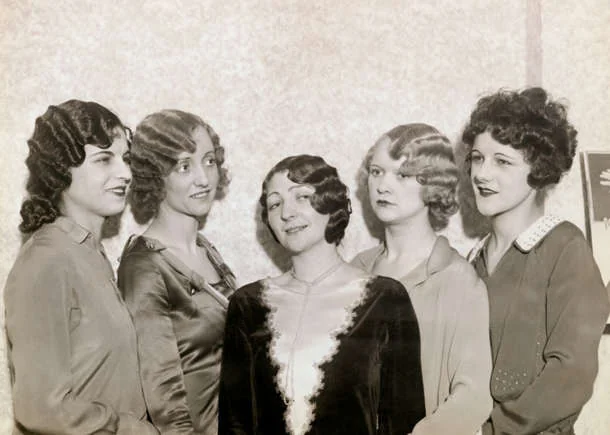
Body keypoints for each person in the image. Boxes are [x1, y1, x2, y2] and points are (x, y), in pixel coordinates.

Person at [219, 154, 425, 435]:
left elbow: (404, 421)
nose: (286, 213)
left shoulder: (386, 299)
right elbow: (234, 425)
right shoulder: (247, 305)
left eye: (301, 197)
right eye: (275, 204)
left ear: (331, 203)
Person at [3, 100, 157, 434]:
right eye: (104, 160)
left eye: (125, 158)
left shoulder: (89, 254)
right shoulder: (47, 260)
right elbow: (41, 408)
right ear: (61, 170)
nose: (125, 174)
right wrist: (130, 429)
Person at [462, 87, 610, 435]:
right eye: (477, 158)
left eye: (502, 161)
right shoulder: (472, 261)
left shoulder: (564, 247)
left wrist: (491, 431)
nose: (481, 174)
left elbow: (570, 374)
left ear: (540, 169)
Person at [352, 123, 492, 435]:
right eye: (376, 172)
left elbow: (473, 398)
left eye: (402, 175)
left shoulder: (458, 280)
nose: (383, 186)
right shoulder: (356, 270)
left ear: (434, 183)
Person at [117, 109, 237, 434]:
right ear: (156, 176)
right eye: (184, 166)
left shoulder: (206, 249)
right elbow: (164, 397)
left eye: (209, 161)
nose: (203, 178)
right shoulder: (144, 265)